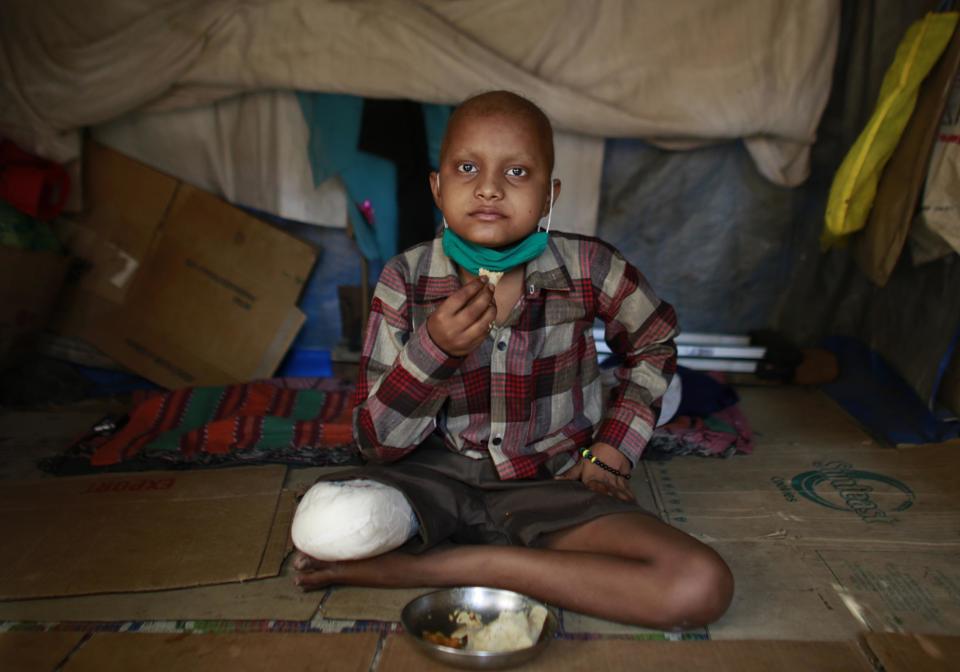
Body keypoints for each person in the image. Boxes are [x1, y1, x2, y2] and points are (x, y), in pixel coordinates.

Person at [292, 90, 733, 630]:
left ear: (550, 196)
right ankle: (520, 566)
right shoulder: (404, 279)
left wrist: (611, 454)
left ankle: (438, 567)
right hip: (428, 481)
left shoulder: (590, 266)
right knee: (324, 528)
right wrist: (436, 351)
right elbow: (374, 442)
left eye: (518, 172)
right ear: (437, 186)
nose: (489, 187)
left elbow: (654, 342)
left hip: (552, 485)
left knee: (699, 584)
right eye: (468, 167)